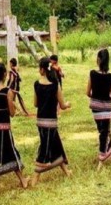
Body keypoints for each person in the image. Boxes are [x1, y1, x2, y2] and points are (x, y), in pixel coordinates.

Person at [0, 63, 27, 197]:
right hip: (4, 128)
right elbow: (12, 113)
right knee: (2, 156)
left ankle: (23, 180)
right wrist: (14, 106)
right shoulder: (7, 91)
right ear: (4, 74)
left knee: (11, 152)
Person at [31, 56, 72, 187]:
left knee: (56, 144)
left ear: (41, 70)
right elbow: (62, 105)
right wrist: (68, 104)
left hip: (40, 121)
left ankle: (66, 171)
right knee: (44, 149)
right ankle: (35, 178)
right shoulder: (55, 85)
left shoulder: (37, 84)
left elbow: (35, 104)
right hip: (51, 121)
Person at [87, 48, 111, 170]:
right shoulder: (110, 77)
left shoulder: (92, 74)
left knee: (103, 132)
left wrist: (95, 97)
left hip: (95, 109)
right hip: (106, 110)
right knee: (105, 133)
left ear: (98, 60)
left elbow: (87, 92)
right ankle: (102, 158)